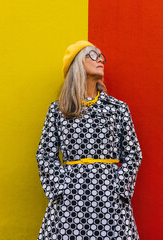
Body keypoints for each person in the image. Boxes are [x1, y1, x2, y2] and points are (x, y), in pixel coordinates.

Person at [36, 40, 143, 240]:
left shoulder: (117, 108)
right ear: (77, 63)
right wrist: (61, 188)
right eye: (93, 55)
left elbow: (133, 153)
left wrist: (119, 187)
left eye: (101, 56)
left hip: (109, 197)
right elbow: (45, 154)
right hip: (70, 199)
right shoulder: (59, 110)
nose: (100, 59)